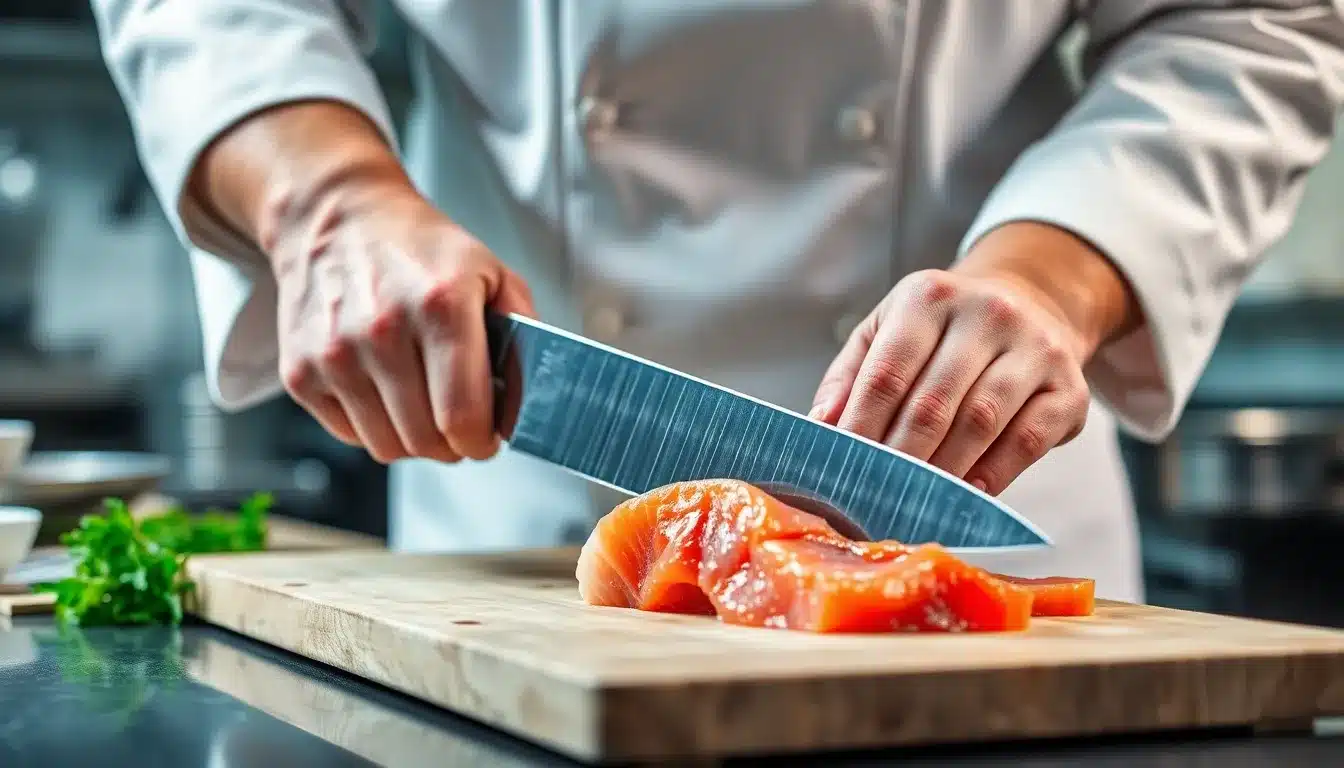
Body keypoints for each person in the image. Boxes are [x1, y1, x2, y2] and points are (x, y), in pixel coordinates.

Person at [91, 1, 1344, 603]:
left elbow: (1249, 22)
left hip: (978, 476)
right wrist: (330, 198)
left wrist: (1054, 273)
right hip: (515, 522)